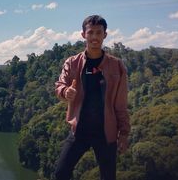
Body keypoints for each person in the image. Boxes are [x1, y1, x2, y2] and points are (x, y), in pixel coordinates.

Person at [54, 15, 130, 180]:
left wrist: (123, 133)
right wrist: (65, 91)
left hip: (106, 132)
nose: (94, 37)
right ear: (83, 35)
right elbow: (60, 85)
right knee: (60, 173)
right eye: (91, 32)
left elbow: (121, 104)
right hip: (79, 130)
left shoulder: (116, 66)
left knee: (108, 177)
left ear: (105, 35)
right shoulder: (72, 63)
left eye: (98, 32)